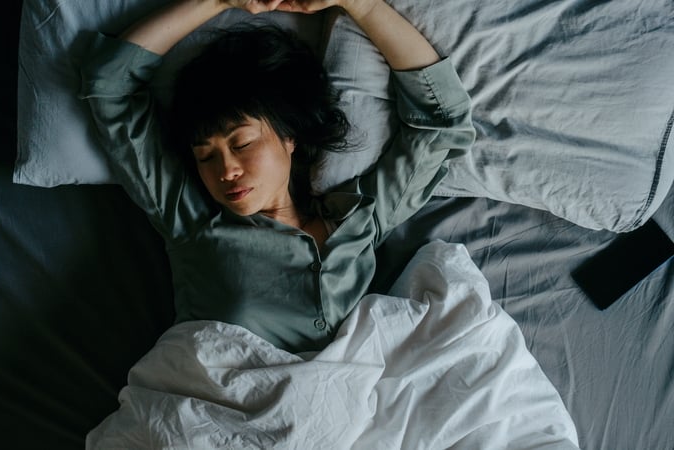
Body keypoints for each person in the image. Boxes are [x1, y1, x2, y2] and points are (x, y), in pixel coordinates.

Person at [79, 0, 476, 353]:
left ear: (289, 138)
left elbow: (440, 124)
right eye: (205, 156)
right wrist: (218, 2)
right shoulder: (192, 223)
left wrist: (362, 5)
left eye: (242, 144)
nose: (226, 170)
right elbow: (109, 88)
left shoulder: (358, 219)